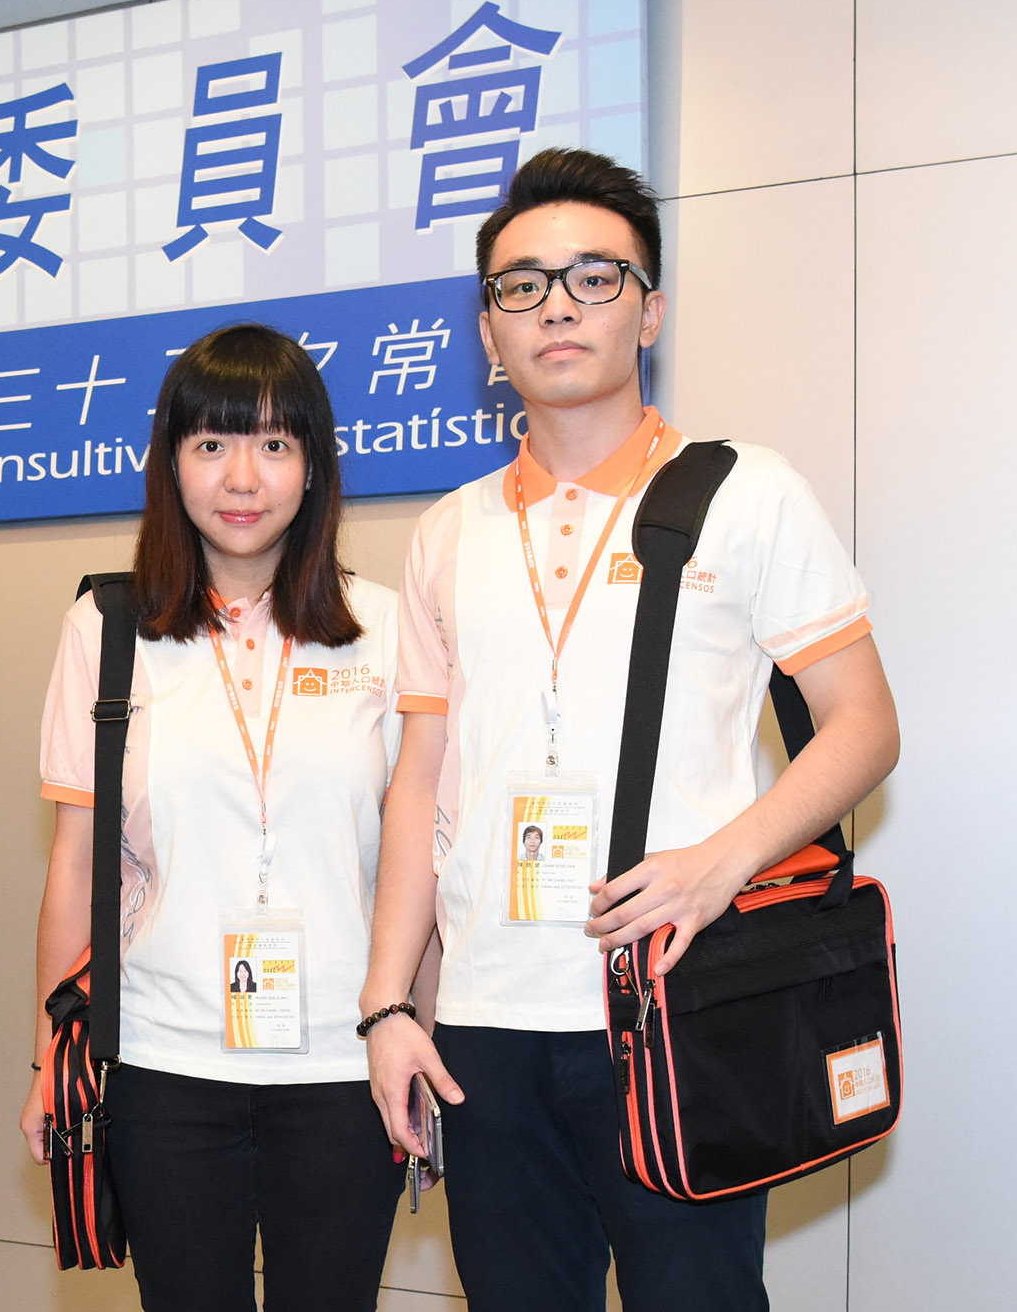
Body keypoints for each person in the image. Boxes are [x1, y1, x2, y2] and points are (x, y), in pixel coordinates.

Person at [356, 149, 900, 1312]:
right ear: (487, 331)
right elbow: (419, 782)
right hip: (485, 1027)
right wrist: (389, 1003)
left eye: (593, 277)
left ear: (648, 311)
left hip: (673, 1001)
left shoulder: (745, 491)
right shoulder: (447, 531)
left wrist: (721, 861)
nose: (556, 305)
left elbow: (862, 725)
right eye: (521, 285)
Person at [24, 324, 406, 1312]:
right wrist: (51, 1059)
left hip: (345, 1063)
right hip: (164, 1063)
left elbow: (419, 859)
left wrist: (418, 1026)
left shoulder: (386, 627)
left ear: (315, 465)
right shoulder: (106, 628)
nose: (242, 477)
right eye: (211, 444)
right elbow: (76, 864)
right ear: (171, 463)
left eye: (275, 443)